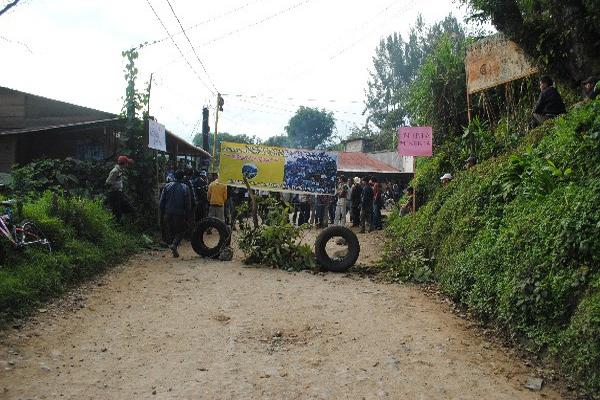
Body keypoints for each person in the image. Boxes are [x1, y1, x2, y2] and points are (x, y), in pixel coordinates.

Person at [159, 170, 192, 258]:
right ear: (182, 177)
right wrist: (188, 216)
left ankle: (173, 246)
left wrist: (163, 213)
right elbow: (188, 204)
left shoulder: (167, 186)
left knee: (171, 230)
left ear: (174, 176)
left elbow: (161, 202)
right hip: (179, 213)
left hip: (168, 212)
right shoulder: (185, 187)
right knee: (181, 230)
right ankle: (174, 245)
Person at [105, 155, 134, 223]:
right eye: (127, 163)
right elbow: (107, 183)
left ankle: (119, 223)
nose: (127, 165)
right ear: (124, 163)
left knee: (129, 208)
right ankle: (115, 227)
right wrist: (114, 189)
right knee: (117, 213)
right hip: (114, 194)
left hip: (119, 193)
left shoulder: (120, 170)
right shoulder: (115, 171)